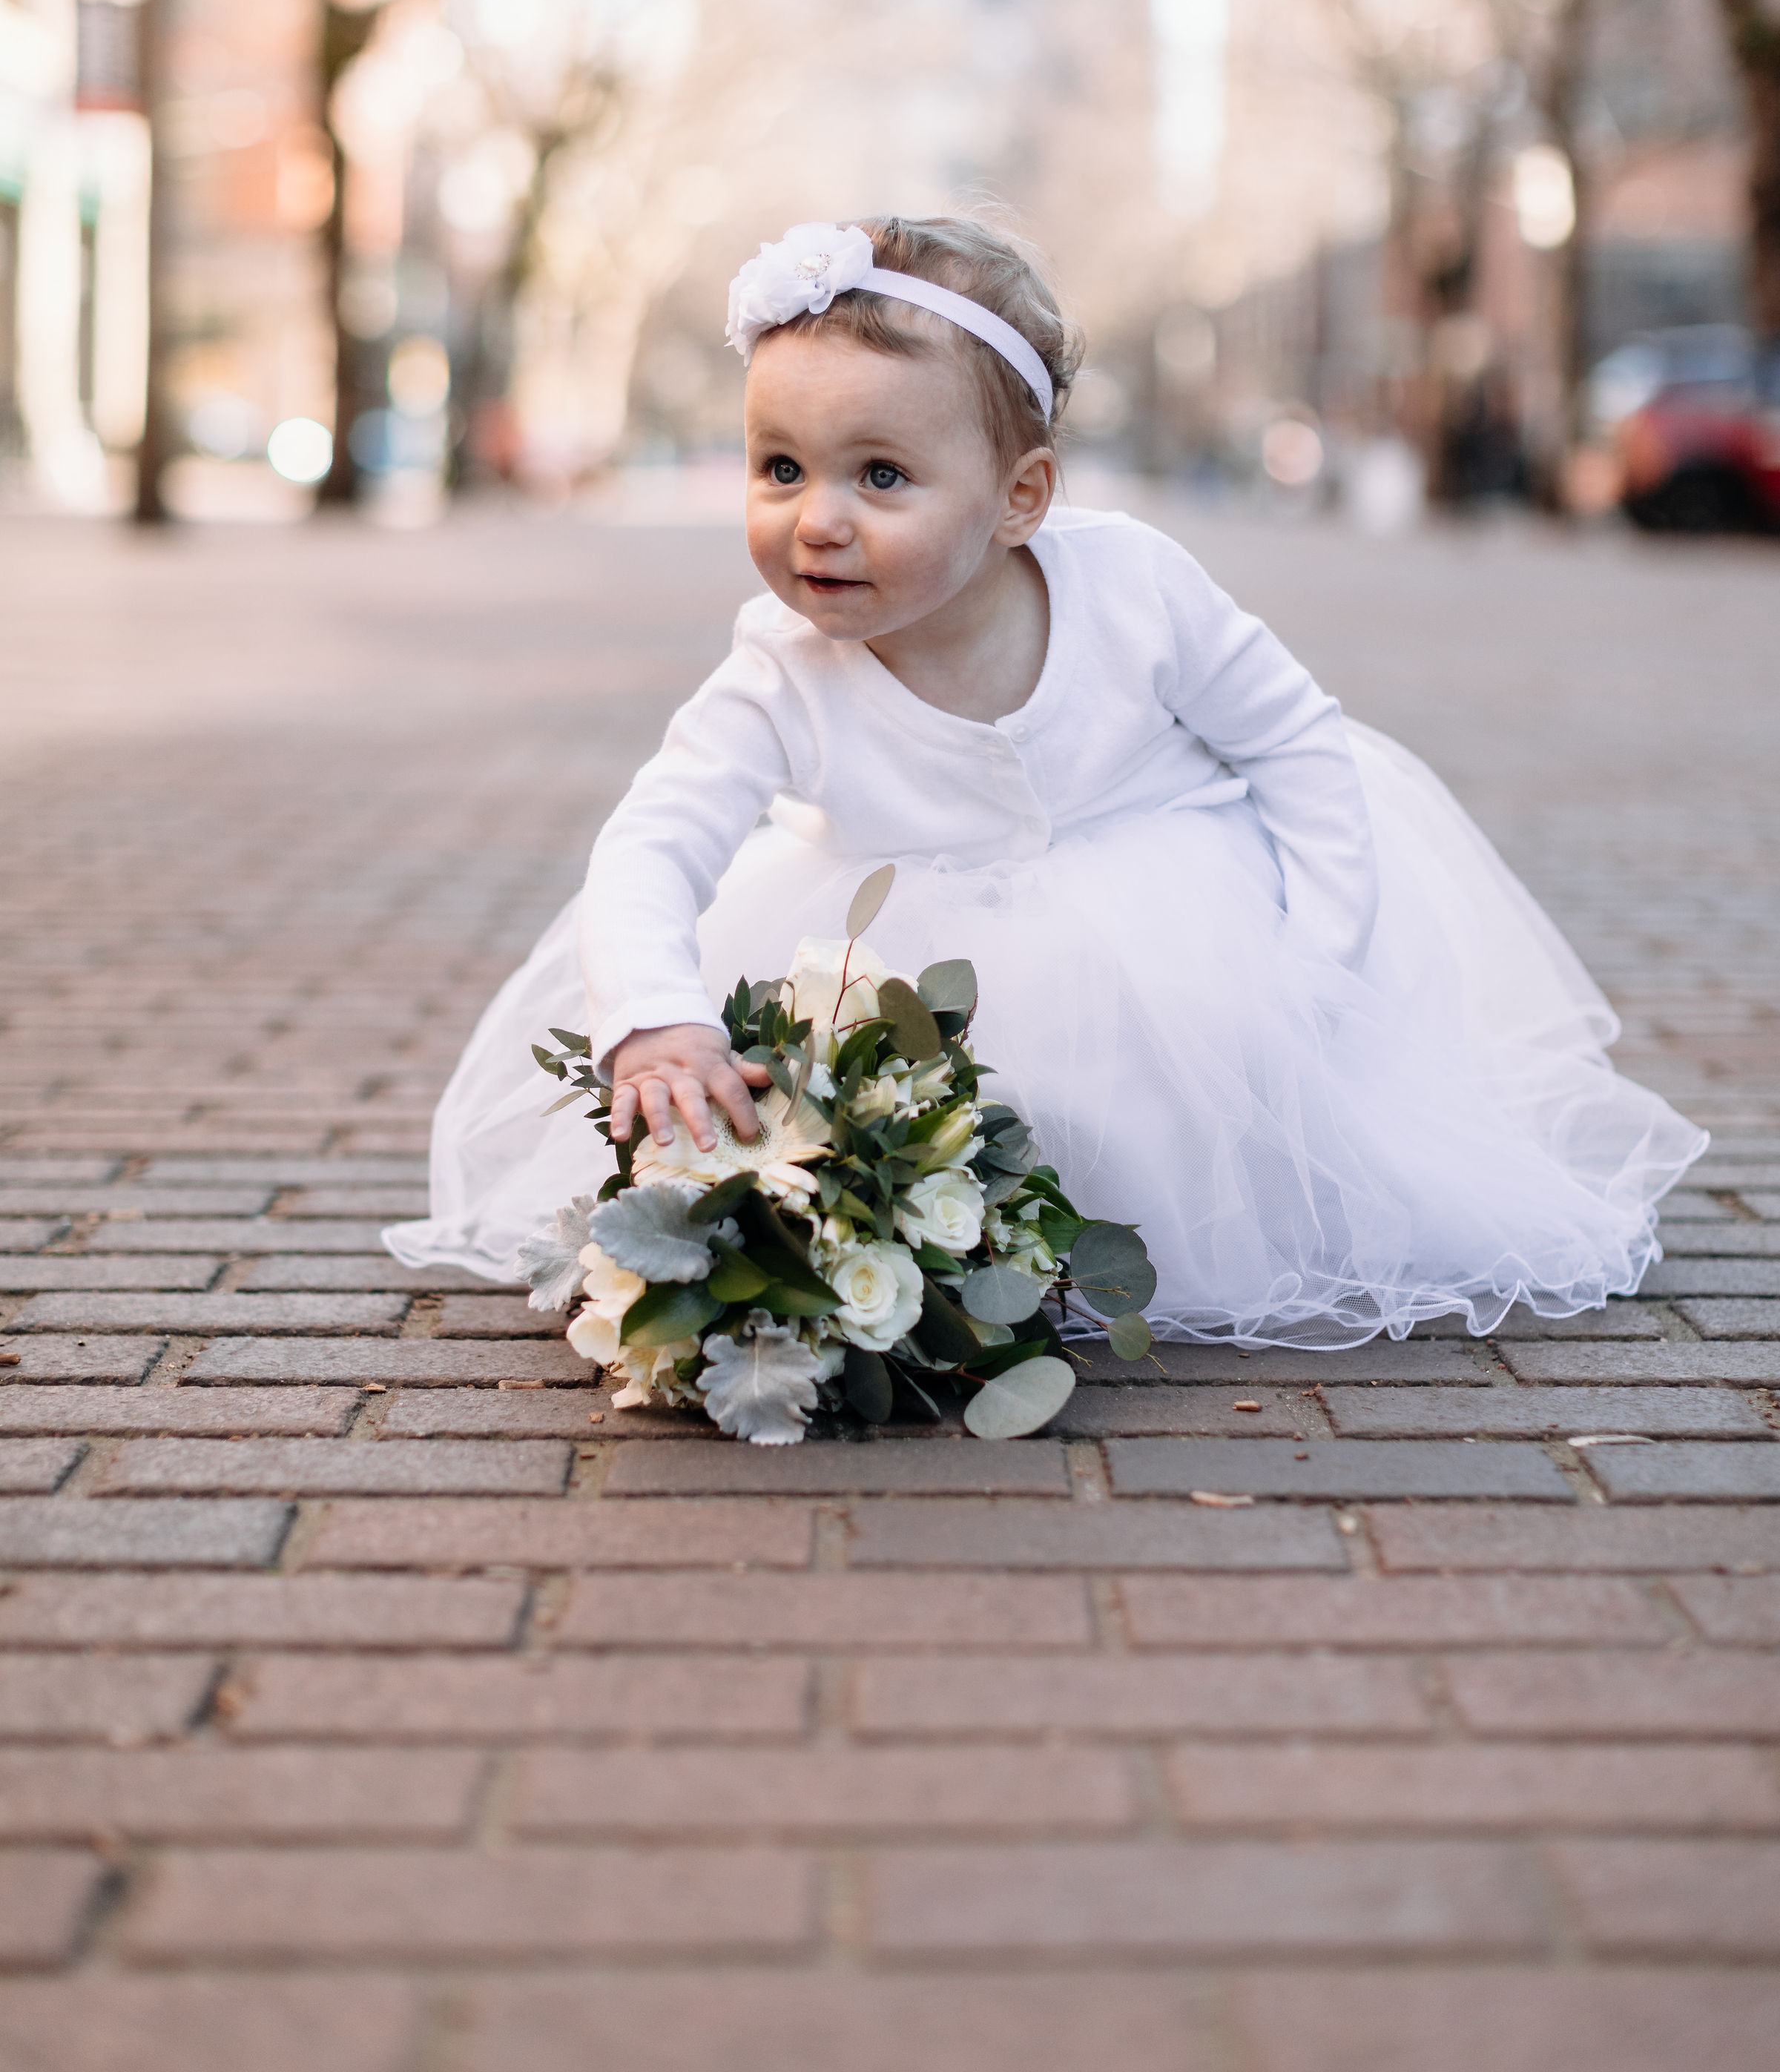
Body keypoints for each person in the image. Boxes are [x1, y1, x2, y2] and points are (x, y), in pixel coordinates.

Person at [387, 215, 1705, 1345]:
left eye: (881, 475)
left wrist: (1320, 962)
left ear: (1021, 497)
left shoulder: (1131, 588)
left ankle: (1137, 1231)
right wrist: (658, 1014)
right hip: (910, 962)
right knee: (911, 1120)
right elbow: (655, 839)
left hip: (1182, 922)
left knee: (1173, 1112)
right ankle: (933, 1259)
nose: (818, 518)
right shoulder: (780, 667)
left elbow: (1298, 747)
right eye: (779, 467)